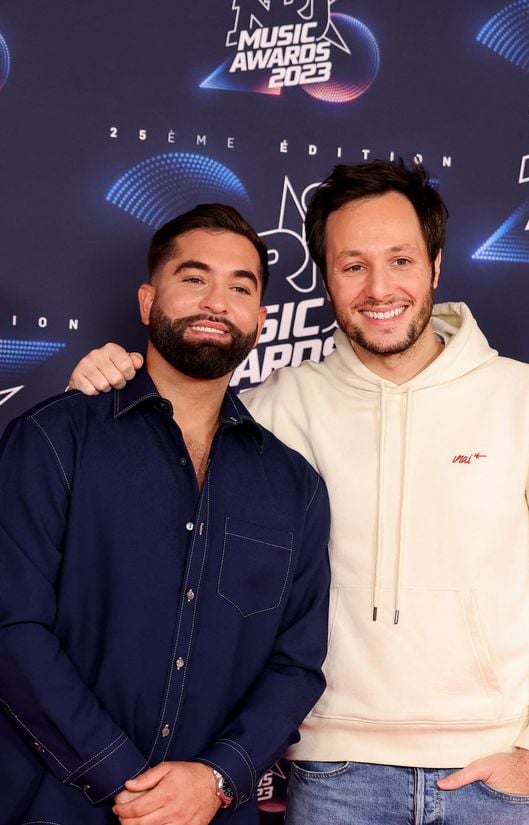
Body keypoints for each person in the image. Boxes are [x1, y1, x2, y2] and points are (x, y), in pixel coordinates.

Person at [67, 160, 529, 825]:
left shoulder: (525, 401)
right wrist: (105, 384)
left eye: (400, 259)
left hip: (493, 776)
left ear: (435, 266)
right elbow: (169, 426)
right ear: (325, 278)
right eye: (352, 265)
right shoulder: (276, 409)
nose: (379, 287)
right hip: (334, 777)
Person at [0, 204, 331, 825]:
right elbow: (12, 627)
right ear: (148, 302)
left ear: (260, 321)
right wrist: (123, 776)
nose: (216, 300)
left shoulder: (294, 487)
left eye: (240, 287)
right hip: (54, 804)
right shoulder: (54, 440)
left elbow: (296, 665)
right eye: (193, 278)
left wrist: (216, 777)